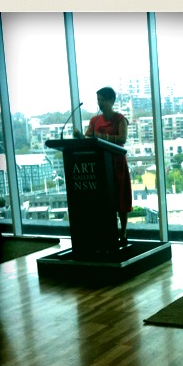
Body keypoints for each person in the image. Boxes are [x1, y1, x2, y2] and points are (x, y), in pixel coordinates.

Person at [74, 86, 132, 246]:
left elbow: (122, 139)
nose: (100, 103)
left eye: (103, 100)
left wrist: (101, 136)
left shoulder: (120, 119)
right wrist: (80, 137)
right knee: (105, 199)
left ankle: (123, 231)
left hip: (117, 163)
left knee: (120, 197)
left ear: (111, 100)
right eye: (98, 100)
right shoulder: (94, 120)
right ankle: (107, 232)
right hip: (100, 164)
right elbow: (89, 139)